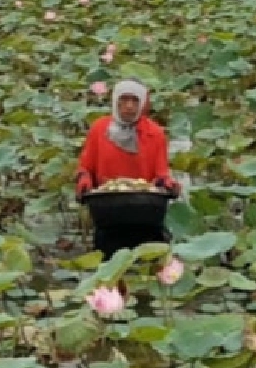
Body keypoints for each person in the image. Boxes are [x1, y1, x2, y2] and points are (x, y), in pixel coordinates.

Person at [75, 78, 181, 260]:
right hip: (109, 211)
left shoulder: (155, 133)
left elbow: (161, 174)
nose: (129, 106)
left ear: (142, 104)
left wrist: (168, 184)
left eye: (135, 100)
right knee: (110, 266)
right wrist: (84, 180)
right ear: (115, 101)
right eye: (124, 100)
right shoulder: (99, 129)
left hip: (144, 211)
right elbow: (85, 167)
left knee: (147, 265)